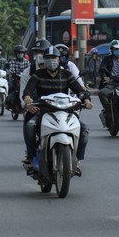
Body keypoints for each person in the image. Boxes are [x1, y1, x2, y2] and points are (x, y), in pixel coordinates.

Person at [22, 46, 93, 176]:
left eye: (54, 58)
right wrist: (28, 100)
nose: (51, 61)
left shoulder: (66, 75)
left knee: (84, 130)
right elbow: (28, 90)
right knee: (30, 126)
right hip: (43, 110)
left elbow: (80, 90)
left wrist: (86, 100)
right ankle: (31, 158)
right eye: (48, 58)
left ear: (59, 59)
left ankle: (76, 161)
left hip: (65, 111)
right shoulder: (38, 75)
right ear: (44, 60)